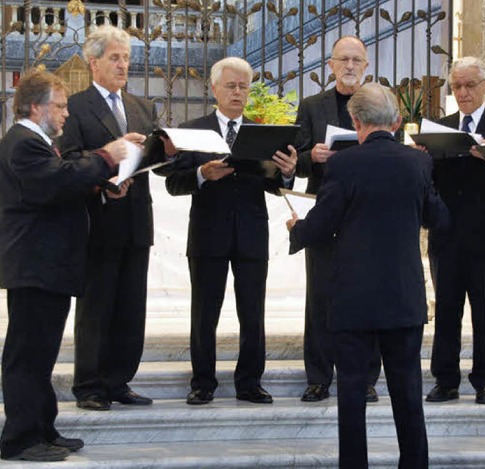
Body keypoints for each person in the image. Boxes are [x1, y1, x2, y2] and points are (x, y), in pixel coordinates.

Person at [287, 83, 448, 469]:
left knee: (353, 395)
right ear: (396, 121)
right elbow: (439, 218)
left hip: (354, 299)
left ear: (355, 121)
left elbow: (322, 224)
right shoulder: (418, 162)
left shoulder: (343, 164)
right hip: (403, 296)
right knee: (408, 392)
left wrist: (296, 228)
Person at [0, 69, 128, 461]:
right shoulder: (22, 141)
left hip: (47, 266)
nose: (65, 115)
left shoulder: (35, 141)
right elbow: (53, 182)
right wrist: (108, 156)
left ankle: (43, 428)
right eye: (59, 106)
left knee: (42, 357)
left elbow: (59, 185)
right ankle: (19, 439)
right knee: (27, 357)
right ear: (36, 107)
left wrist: (98, 184)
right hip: (35, 264)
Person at [161, 57, 297, 406]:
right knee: (204, 312)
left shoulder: (263, 132)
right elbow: (173, 184)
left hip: (251, 234)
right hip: (208, 235)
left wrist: (285, 172)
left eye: (243, 87)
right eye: (231, 86)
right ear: (215, 88)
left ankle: (250, 382)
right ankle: (203, 382)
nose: (238, 93)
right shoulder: (194, 130)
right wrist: (202, 174)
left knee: (253, 312)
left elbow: (275, 185)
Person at [58, 25, 160, 411]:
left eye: (127, 58)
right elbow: (67, 160)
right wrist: (103, 173)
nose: (122, 65)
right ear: (93, 62)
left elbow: (155, 163)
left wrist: (165, 149)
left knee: (131, 306)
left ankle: (120, 381)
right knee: (96, 306)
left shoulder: (142, 107)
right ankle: (89, 385)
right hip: (98, 220)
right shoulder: (76, 106)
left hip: (137, 220)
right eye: (115, 58)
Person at [425, 56, 485, 405]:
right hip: (446, 234)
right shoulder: (439, 127)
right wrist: (421, 157)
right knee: (447, 312)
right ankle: (445, 380)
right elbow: (429, 184)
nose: (463, 92)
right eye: (457, 86)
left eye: (470, 85)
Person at [294, 35, 381, 403]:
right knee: (320, 298)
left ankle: (365, 379)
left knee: (368, 298)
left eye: (356, 60)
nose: (349, 66)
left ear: (366, 66)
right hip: (325, 211)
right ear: (330, 66)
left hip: (369, 215)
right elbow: (292, 156)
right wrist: (310, 155)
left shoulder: (380, 105)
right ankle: (318, 377)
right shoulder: (313, 106)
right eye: (342, 59)